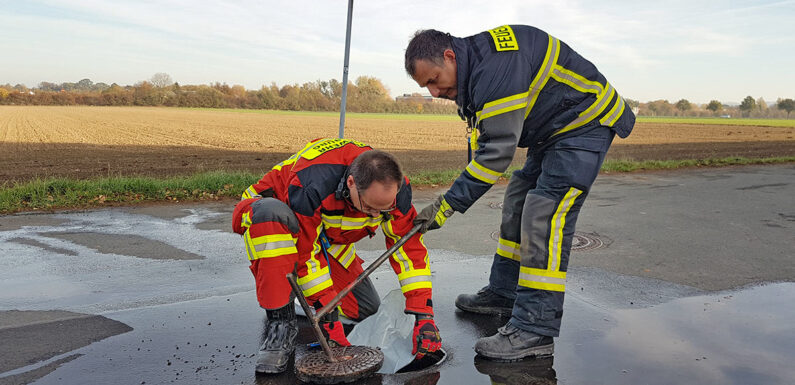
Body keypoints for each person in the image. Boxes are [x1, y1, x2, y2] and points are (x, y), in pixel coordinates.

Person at [406, 25, 634, 360]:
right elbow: (482, 146)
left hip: (585, 124)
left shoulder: (494, 70)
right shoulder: (474, 73)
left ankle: (535, 329)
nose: (435, 92)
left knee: (544, 214)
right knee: (517, 200)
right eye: (427, 86)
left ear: (450, 56)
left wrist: (445, 205)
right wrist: (453, 198)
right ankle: (504, 293)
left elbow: (496, 153)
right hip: (554, 131)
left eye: (434, 79)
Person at [232, 138, 441, 374]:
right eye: (370, 208)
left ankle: (300, 301)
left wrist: (423, 313)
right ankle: (280, 322)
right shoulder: (311, 184)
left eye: (384, 210)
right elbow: (306, 255)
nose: (376, 214)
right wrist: (328, 317)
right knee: (274, 221)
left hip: (324, 237)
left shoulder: (394, 190)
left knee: (366, 310)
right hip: (269, 217)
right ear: (351, 183)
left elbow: (408, 249)